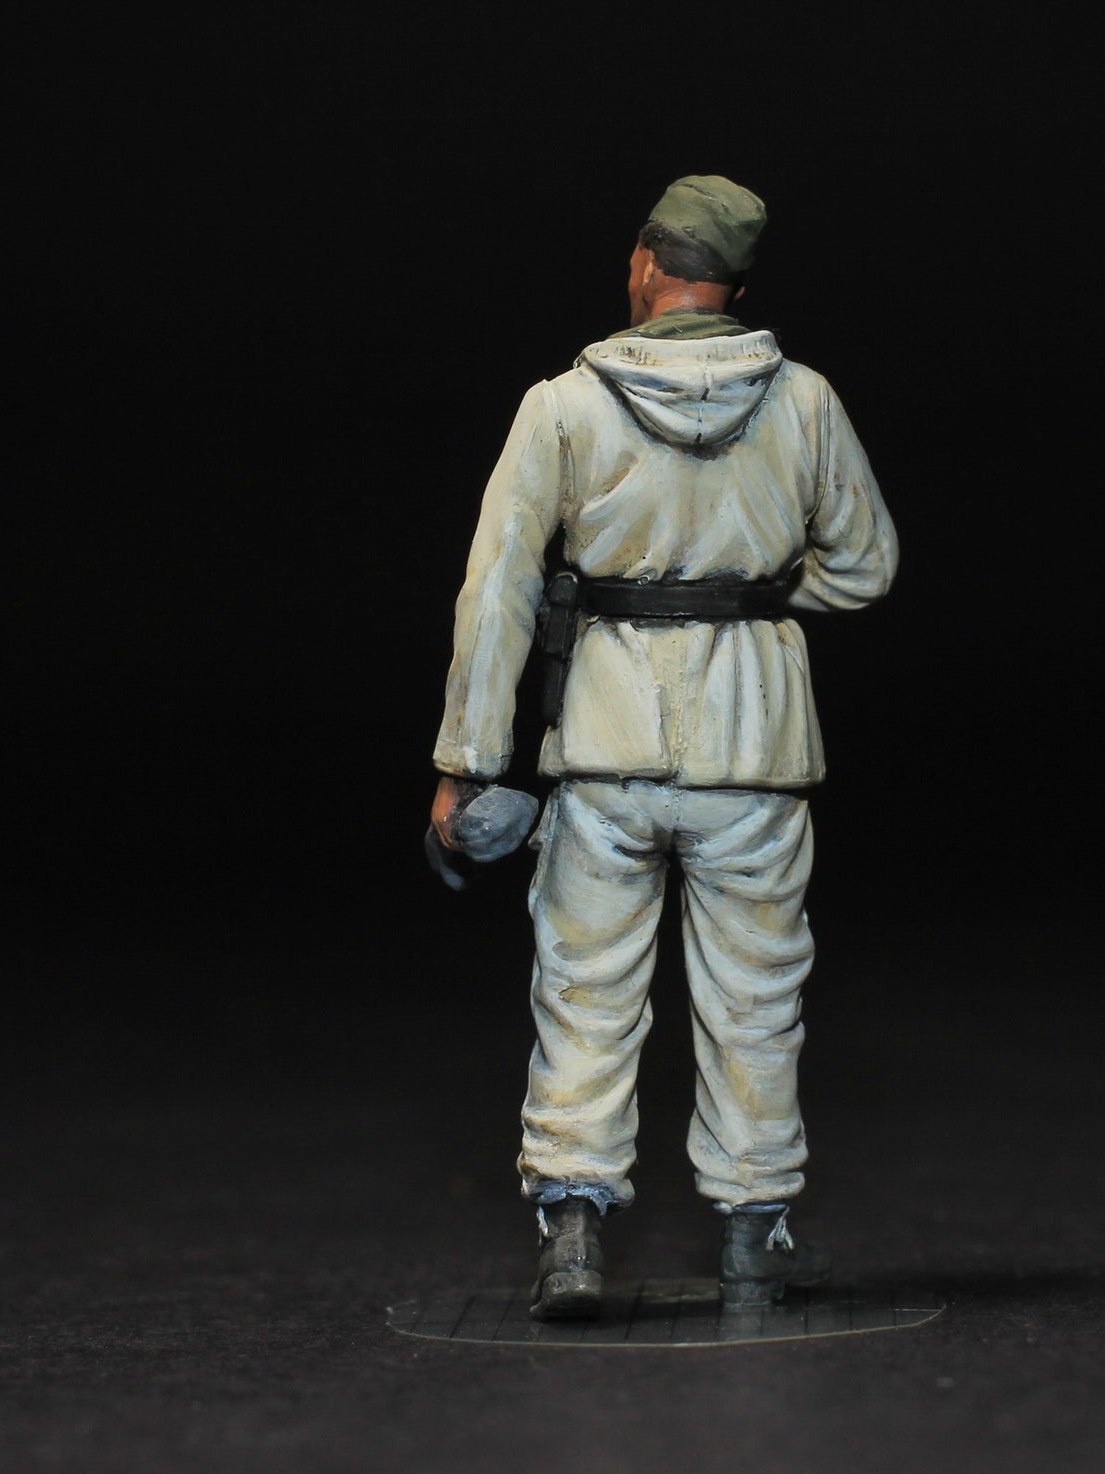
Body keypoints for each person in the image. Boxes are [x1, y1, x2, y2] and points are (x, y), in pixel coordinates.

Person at [429, 175, 898, 1318]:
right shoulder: (805, 401)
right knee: (755, 997)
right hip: (755, 746)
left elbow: (497, 592)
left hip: (606, 742)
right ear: (734, 280)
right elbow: (865, 563)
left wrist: (466, 763)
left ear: (646, 262)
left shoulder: (562, 406)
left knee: (584, 988)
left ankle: (573, 1234)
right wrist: (756, 595)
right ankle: (753, 1228)